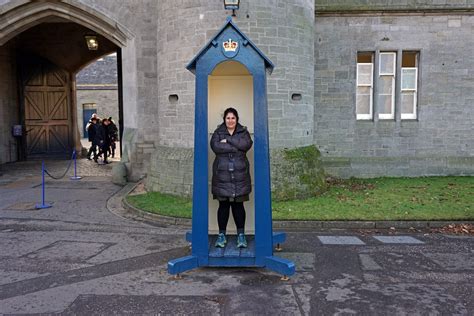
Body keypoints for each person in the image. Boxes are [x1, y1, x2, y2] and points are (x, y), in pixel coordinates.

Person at [210, 107, 253, 248]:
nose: (230, 120)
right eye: (228, 118)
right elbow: (215, 146)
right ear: (224, 119)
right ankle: (221, 235)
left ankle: (241, 235)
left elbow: (246, 145)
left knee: (238, 205)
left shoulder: (243, 132)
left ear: (237, 119)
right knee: (223, 206)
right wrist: (236, 144)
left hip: (240, 176)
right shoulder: (218, 132)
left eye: (233, 118)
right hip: (222, 176)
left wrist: (227, 140)